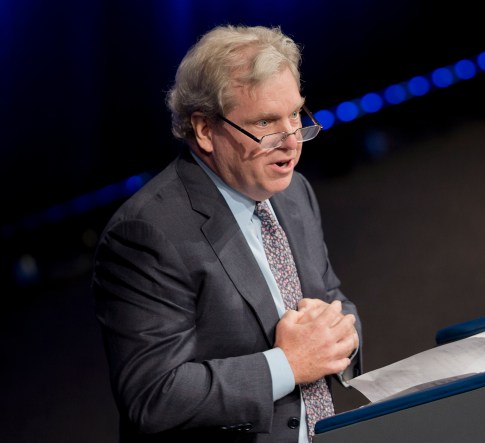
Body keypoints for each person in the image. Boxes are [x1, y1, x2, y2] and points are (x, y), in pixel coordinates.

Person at [91, 24, 361, 443]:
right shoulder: (147, 234)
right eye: (267, 123)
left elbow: (331, 298)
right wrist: (288, 364)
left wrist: (344, 332)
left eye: (296, 115)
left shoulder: (293, 194)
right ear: (204, 130)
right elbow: (154, 395)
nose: (292, 143)